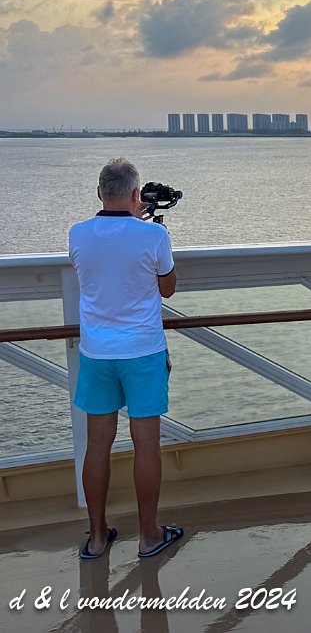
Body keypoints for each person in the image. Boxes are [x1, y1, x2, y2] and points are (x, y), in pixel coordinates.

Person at [69, 158, 183, 560]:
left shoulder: (78, 234)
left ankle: (97, 538)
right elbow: (167, 288)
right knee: (145, 444)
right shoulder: (153, 235)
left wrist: (132, 219)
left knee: (97, 445)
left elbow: (101, 264)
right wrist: (149, 227)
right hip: (143, 351)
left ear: (99, 193)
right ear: (137, 194)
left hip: (97, 353)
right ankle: (149, 536)